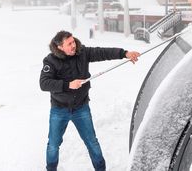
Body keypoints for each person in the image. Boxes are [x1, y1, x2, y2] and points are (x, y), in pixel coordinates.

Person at [39, 30, 140, 171]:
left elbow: (103, 52)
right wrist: (68, 84)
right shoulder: (50, 61)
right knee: (53, 145)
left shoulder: (82, 52)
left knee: (92, 142)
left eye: (73, 41)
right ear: (60, 47)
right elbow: (44, 83)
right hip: (59, 109)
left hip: (81, 107)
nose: (73, 45)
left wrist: (125, 53)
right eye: (69, 44)